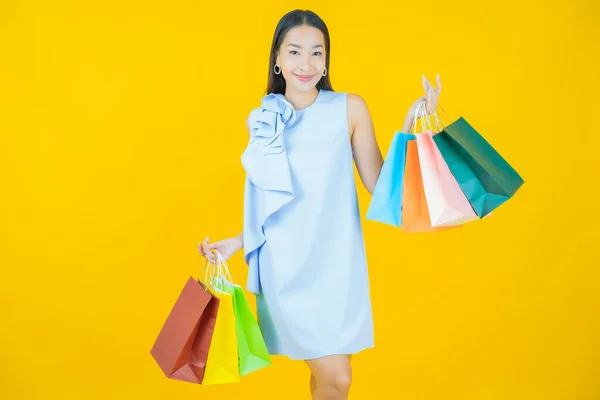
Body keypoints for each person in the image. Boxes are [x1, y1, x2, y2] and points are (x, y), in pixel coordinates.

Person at [199, 9, 442, 400]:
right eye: (294, 52)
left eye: (317, 53)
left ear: (327, 59)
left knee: (325, 381)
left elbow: (380, 187)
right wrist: (237, 242)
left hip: (339, 269)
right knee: (338, 379)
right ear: (277, 58)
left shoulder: (349, 109)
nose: (306, 63)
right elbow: (269, 205)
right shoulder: (260, 121)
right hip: (286, 269)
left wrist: (410, 125)